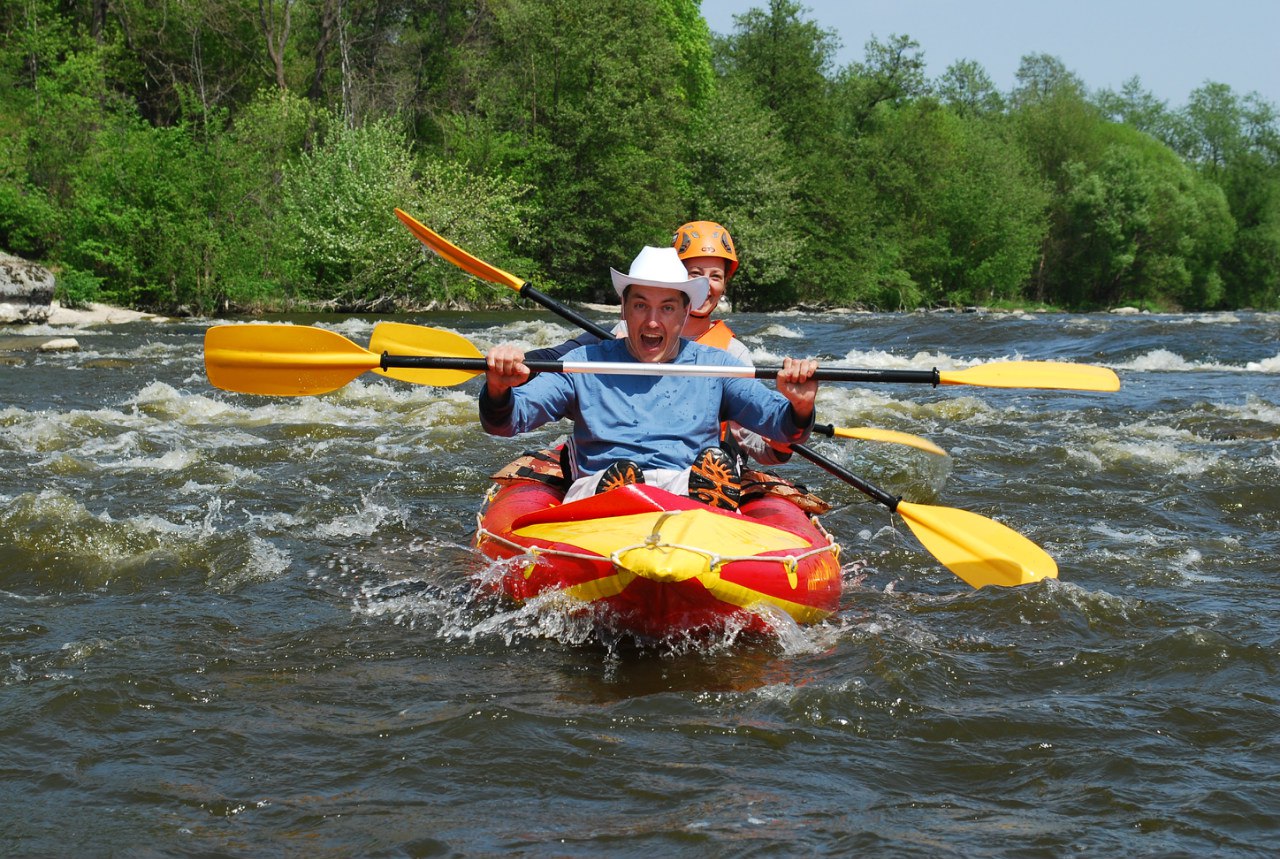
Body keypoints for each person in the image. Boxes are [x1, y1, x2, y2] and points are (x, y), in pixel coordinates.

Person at [480, 246, 819, 509]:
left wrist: (799, 405)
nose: (653, 322)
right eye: (641, 306)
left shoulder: (717, 366)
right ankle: (623, 496)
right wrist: (498, 387)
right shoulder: (583, 362)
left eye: (667, 308)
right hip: (599, 490)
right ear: (623, 308)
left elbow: (781, 424)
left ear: (686, 313)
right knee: (602, 485)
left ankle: (686, 496)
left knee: (689, 483)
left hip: (687, 491)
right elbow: (508, 421)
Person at [520, 220, 791, 471]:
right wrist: (513, 366)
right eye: (696, 273)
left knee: (714, 462)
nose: (707, 285)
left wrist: (781, 441)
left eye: (716, 276)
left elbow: (756, 436)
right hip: (624, 453)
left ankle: (702, 487)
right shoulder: (623, 333)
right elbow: (556, 358)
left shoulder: (730, 355)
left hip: (703, 461)